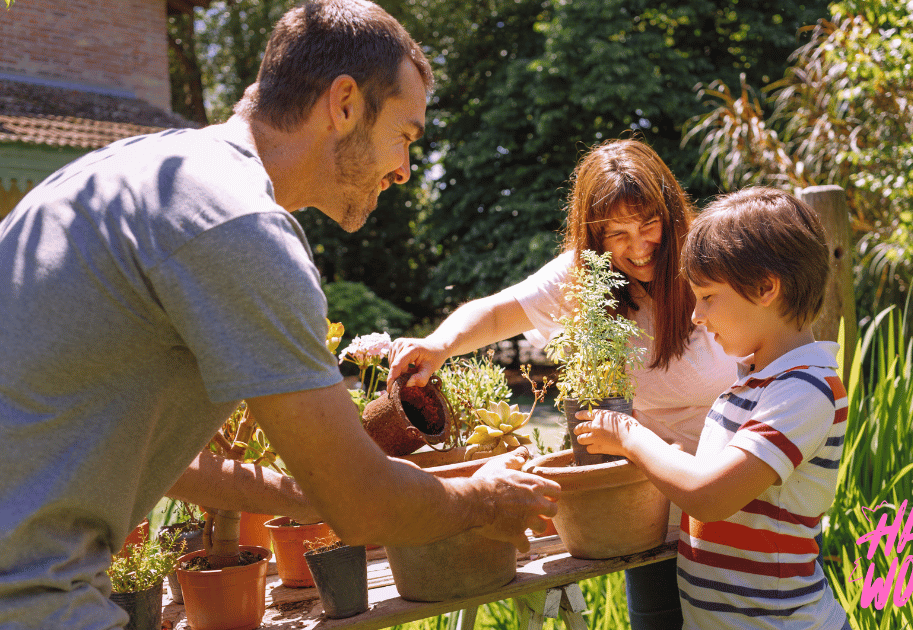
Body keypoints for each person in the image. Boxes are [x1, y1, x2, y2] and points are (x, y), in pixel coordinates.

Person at [0, 1, 559, 627]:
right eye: (405, 135)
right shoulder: (238, 223)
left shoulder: (141, 174)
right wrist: (485, 496)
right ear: (344, 104)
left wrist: (306, 489)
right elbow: (360, 505)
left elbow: (139, 451)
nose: (404, 171)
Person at [388, 138, 739, 629]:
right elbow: (495, 312)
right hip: (653, 519)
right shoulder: (581, 278)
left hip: (741, 509)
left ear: (672, 212)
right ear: (593, 237)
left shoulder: (708, 259)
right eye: (617, 233)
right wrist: (440, 344)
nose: (638, 247)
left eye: (649, 225)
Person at [573, 187, 850, 629]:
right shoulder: (751, 385)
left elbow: (711, 496)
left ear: (765, 288)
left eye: (707, 297)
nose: (695, 316)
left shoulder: (805, 389)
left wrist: (632, 438)